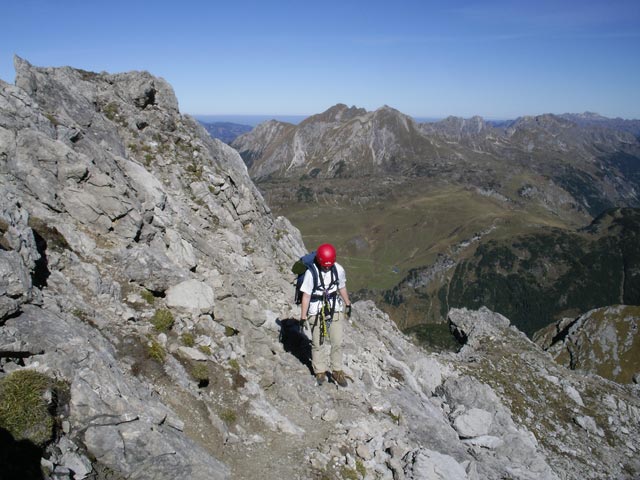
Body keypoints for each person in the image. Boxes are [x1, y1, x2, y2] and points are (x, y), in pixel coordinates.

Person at [299, 243, 352, 387]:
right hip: (315, 310)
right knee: (317, 342)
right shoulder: (311, 273)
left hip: (334, 307)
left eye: (329, 265)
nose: (327, 268)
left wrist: (347, 303)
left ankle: (337, 370)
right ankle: (320, 371)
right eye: (325, 265)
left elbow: (341, 286)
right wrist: (303, 317)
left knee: (337, 341)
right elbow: (306, 296)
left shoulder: (338, 269)